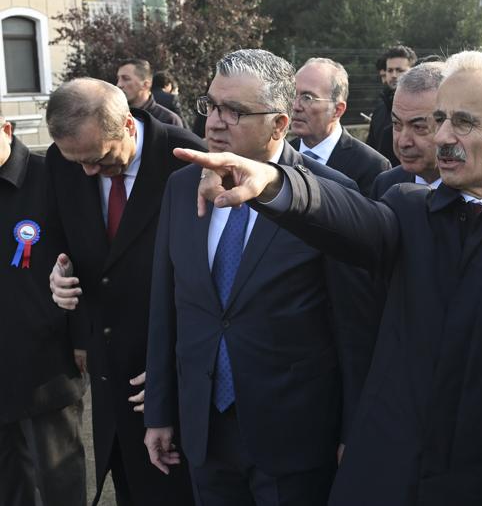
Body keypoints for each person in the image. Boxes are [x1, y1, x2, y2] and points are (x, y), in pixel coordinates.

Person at [174, 50, 482, 505]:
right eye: (440, 120)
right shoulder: (405, 209)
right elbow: (340, 213)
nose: (443, 137)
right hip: (386, 475)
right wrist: (275, 182)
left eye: (464, 122)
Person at [144, 49, 378, 506]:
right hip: (204, 430)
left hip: (293, 438)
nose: (214, 122)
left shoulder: (327, 196)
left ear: (279, 124)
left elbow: (354, 330)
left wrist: (353, 431)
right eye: (211, 105)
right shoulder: (181, 187)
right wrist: (159, 411)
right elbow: (167, 306)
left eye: (234, 111)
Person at [46, 78, 203, 506]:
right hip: (110, 375)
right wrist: (57, 275)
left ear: (128, 126)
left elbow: (214, 282)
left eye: (99, 159)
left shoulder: (187, 160)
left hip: (174, 374)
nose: (87, 172)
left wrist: (176, 363)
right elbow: (59, 238)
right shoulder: (64, 161)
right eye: (78, 161)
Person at [0, 110, 87, 506]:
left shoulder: (51, 175)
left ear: (6, 129)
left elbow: (85, 258)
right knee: (9, 484)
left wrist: (81, 337)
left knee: (58, 482)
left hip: (47, 362)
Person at [289, 57, 389, 195]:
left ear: (337, 110)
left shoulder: (371, 165)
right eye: (292, 95)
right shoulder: (282, 155)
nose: (295, 106)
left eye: (307, 98)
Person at [370, 61, 444, 200]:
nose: (403, 142)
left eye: (418, 127)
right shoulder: (384, 184)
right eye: (396, 124)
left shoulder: (476, 194)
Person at [366, 45, 417, 164]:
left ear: (413, 72)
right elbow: (371, 147)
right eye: (390, 70)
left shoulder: (420, 108)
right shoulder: (380, 109)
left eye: (399, 70)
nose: (394, 75)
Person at [117, 59, 186, 128]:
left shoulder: (169, 120)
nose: (119, 84)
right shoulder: (115, 116)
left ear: (145, 84)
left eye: (126, 78)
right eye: (118, 79)